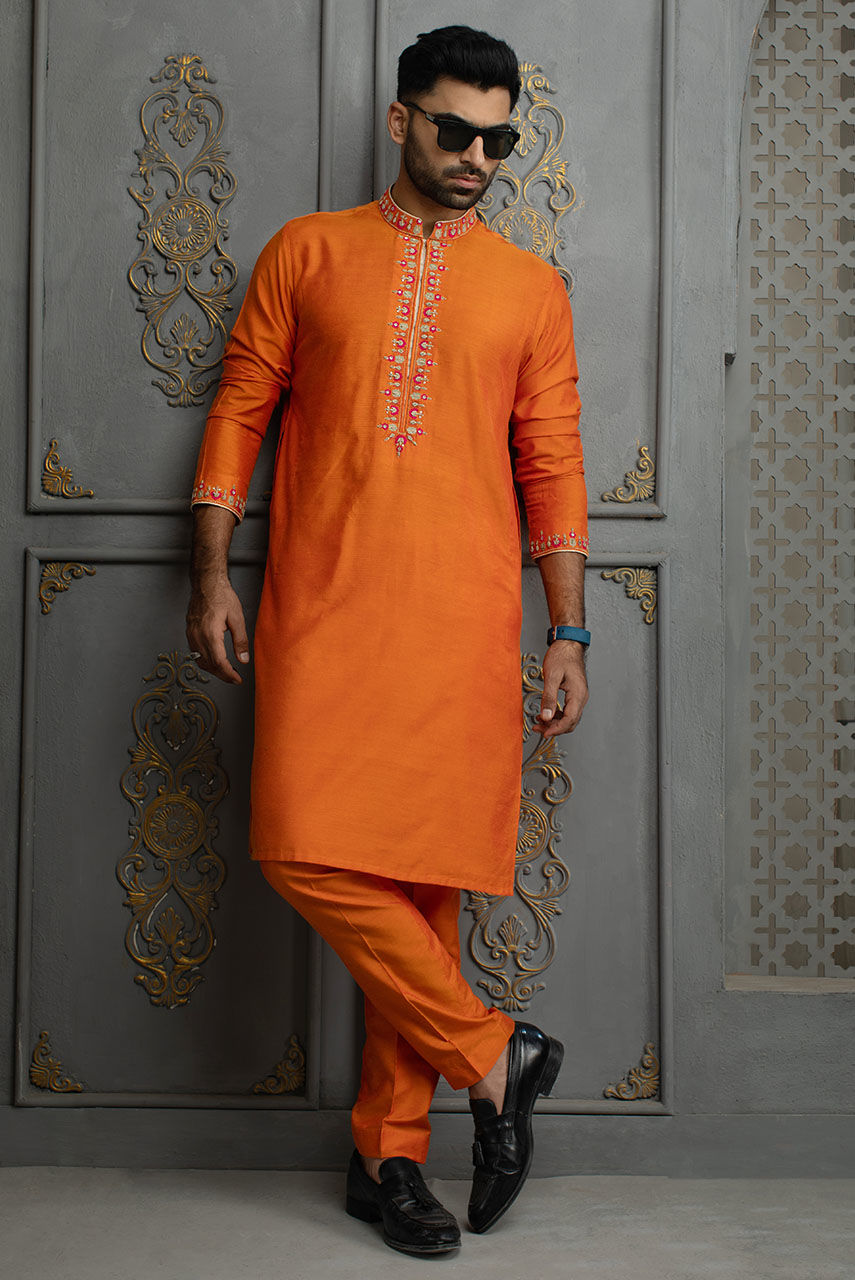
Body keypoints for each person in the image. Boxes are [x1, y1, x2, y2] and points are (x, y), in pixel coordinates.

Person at [185, 24, 589, 1257]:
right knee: (298, 842)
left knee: (421, 890)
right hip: (321, 605)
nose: (477, 158)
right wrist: (209, 570)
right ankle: (497, 1053)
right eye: (456, 130)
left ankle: (389, 1158)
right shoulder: (307, 251)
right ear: (403, 118)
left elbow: (553, 463)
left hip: (462, 620)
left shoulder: (530, 288)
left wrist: (568, 628)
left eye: (499, 140)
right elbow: (241, 404)